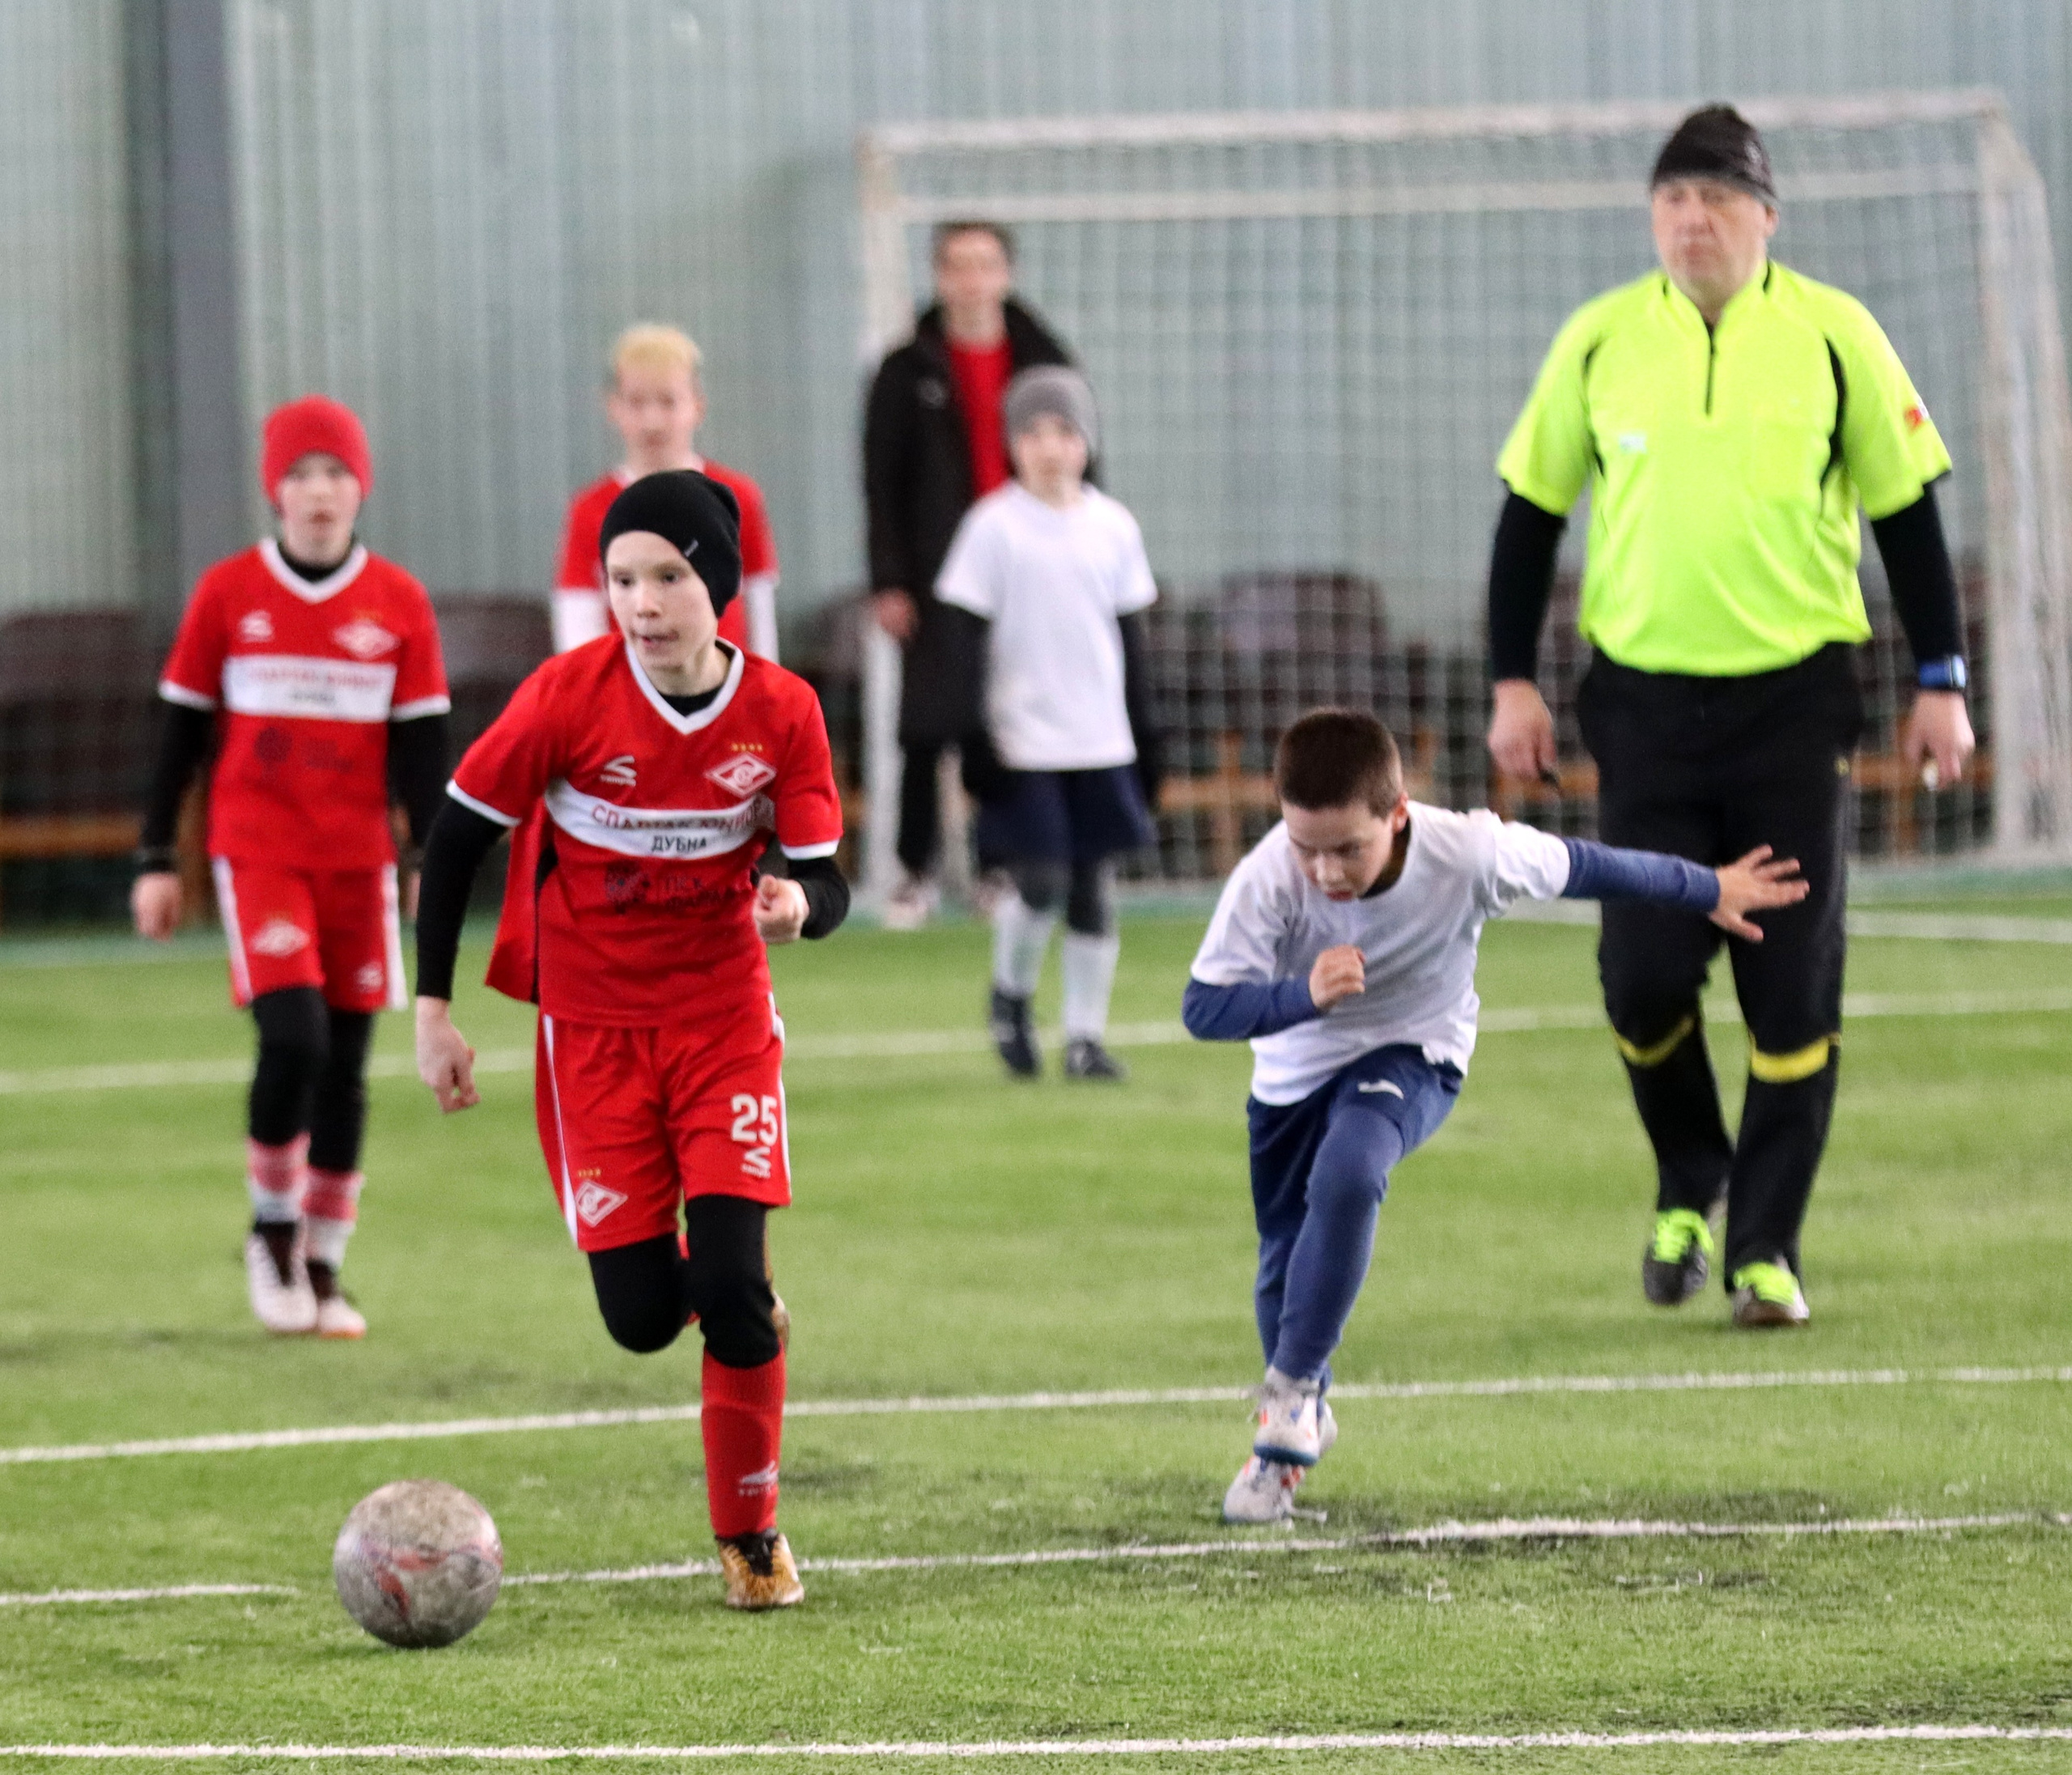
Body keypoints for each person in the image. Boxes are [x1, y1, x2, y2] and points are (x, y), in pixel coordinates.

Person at [1485, 104, 1975, 1328]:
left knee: (1790, 994)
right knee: (1642, 981)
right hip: (1643, 710)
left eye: (1716, 198)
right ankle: (1688, 1170)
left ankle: (1765, 1248)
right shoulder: (1600, 343)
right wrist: (1510, 682)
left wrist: (1942, 683)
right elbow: (1528, 516)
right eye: (1672, 199)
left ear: (1767, 216)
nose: (1691, 219)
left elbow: (1908, 514)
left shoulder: (1835, 336)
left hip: (1793, 708)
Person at [1185, 708, 1808, 1522]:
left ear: (1398, 813)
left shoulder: (1469, 852)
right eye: (1308, 848)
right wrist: (1297, 996)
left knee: (1351, 1170)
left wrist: (1707, 888)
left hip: (1415, 1055)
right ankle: (1292, 1434)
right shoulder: (1269, 878)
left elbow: (1591, 866)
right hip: (1290, 1081)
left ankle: (1291, 1396)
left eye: (1348, 849)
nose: (1327, 872)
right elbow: (1205, 1008)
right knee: (1283, 1259)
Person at [412, 470, 847, 1612]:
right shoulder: (567, 697)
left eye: (667, 575)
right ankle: (722, 1294)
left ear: (720, 583)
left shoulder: (784, 713)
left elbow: (824, 872)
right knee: (645, 1317)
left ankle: (750, 1535)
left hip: (724, 1027)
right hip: (592, 1038)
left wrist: (800, 907)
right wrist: (434, 1011)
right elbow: (455, 840)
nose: (642, 602)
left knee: (736, 1290)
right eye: (621, 579)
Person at [133, 395, 451, 1340]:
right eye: (302, 474)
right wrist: (156, 858)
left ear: (362, 488)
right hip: (259, 853)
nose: (320, 492)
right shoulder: (229, 594)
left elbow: (422, 753)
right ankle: (271, 1235)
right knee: (296, 1037)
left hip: (359, 863)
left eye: (337, 474)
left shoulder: (398, 603)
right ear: (276, 490)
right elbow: (179, 739)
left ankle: (323, 1264)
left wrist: (430, 859)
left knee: (348, 1065)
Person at [936, 367, 1161, 1081]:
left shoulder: (1113, 526)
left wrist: (1144, 734)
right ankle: (1011, 996)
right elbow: (963, 641)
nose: (1050, 446)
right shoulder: (992, 527)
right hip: (1023, 741)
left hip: (1099, 740)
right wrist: (975, 735)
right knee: (1040, 880)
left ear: (1086, 442)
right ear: (1012, 444)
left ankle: (1086, 1038)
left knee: (1094, 886)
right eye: (1032, 432)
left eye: (1064, 431)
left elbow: (1131, 640)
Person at [863, 221, 1076, 928]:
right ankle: (913, 871)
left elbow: (1084, 462)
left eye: (985, 265)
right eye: (958, 265)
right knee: (927, 724)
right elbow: (880, 483)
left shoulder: (1044, 361)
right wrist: (888, 578)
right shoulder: (905, 369)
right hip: (936, 574)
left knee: (1007, 723)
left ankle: (999, 866)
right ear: (939, 275)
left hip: (1029, 569)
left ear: (1006, 274)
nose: (972, 279)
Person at [553, 324, 781, 662]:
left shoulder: (739, 497)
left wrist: (765, 696)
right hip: (629, 698)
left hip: (727, 693)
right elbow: (578, 621)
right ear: (613, 407)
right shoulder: (589, 510)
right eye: (636, 403)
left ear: (697, 406)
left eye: (668, 402)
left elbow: (759, 610)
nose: (652, 421)